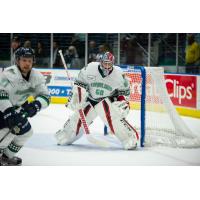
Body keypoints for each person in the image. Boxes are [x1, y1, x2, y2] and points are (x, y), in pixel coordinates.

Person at [55, 52, 139, 150]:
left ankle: (129, 138)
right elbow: (79, 84)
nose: (107, 66)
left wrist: (122, 102)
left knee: (114, 120)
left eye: (109, 64)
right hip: (90, 99)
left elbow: (124, 93)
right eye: (105, 63)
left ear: (113, 63)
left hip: (106, 100)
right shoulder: (90, 68)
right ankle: (67, 134)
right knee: (77, 120)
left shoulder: (119, 74)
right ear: (100, 62)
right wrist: (76, 95)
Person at [0, 47, 50, 165]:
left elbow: (46, 97)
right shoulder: (8, 74)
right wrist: (8, 111)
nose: (27, 63)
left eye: (30, 60)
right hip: (2, 108)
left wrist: (36, 105)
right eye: (24, 60)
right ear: (17, 61)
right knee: (7, 130)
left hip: (17, 109)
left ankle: (6, 156)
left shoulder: (36, 76)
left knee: (26, 133)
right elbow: (1, 93)